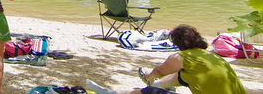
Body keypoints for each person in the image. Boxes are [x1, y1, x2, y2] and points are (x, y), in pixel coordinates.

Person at [85, 24, 246, 94]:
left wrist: (149, 77)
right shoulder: (212, 57)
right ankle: (159, 86)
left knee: (149, 92)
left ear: (178, 43)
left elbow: (159, 70)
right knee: (182, 78)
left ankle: (111, 93)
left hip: (161, 75)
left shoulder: (182, 57)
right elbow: (180, 77)